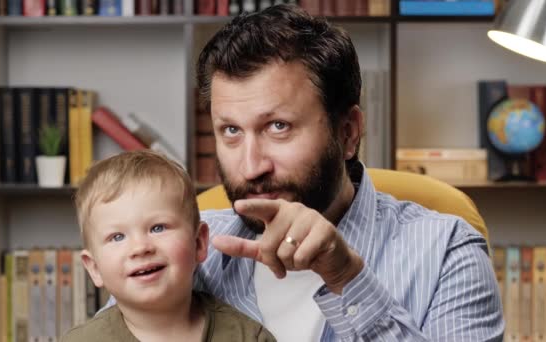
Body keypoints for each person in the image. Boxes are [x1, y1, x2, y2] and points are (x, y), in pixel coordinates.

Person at [193, 4, 504, 341]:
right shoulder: (186, 251)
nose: (251, 167)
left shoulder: (448, 255)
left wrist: (345, 277)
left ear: (348, 133)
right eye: (231, 131)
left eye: (278, 126)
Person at [63, 150, 275, 341]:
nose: (140, 248)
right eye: (117, 237)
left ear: (199, 243)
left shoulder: (246, 337)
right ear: (94, 268)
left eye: (158, 228)